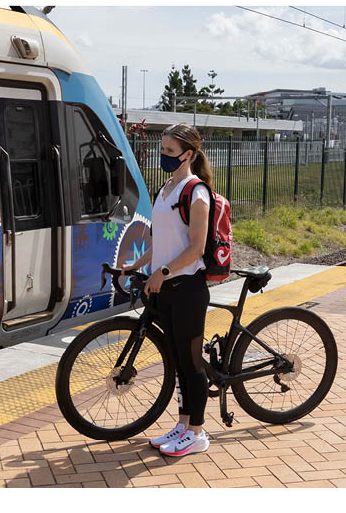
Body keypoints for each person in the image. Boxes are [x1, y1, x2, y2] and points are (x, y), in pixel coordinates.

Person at [122, 123, 212, 457]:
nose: (164, 156)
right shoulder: (166, 188)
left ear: (188, 154)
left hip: (187, 288)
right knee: (175, 361)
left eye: (170, 152)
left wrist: (161, 272)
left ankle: (198, 433)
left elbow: (196, 249)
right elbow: (160, 242)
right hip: (167, 287)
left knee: (192, 363)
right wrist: (137, 265)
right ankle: (183, 425)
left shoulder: (195, 192)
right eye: (162, 150)